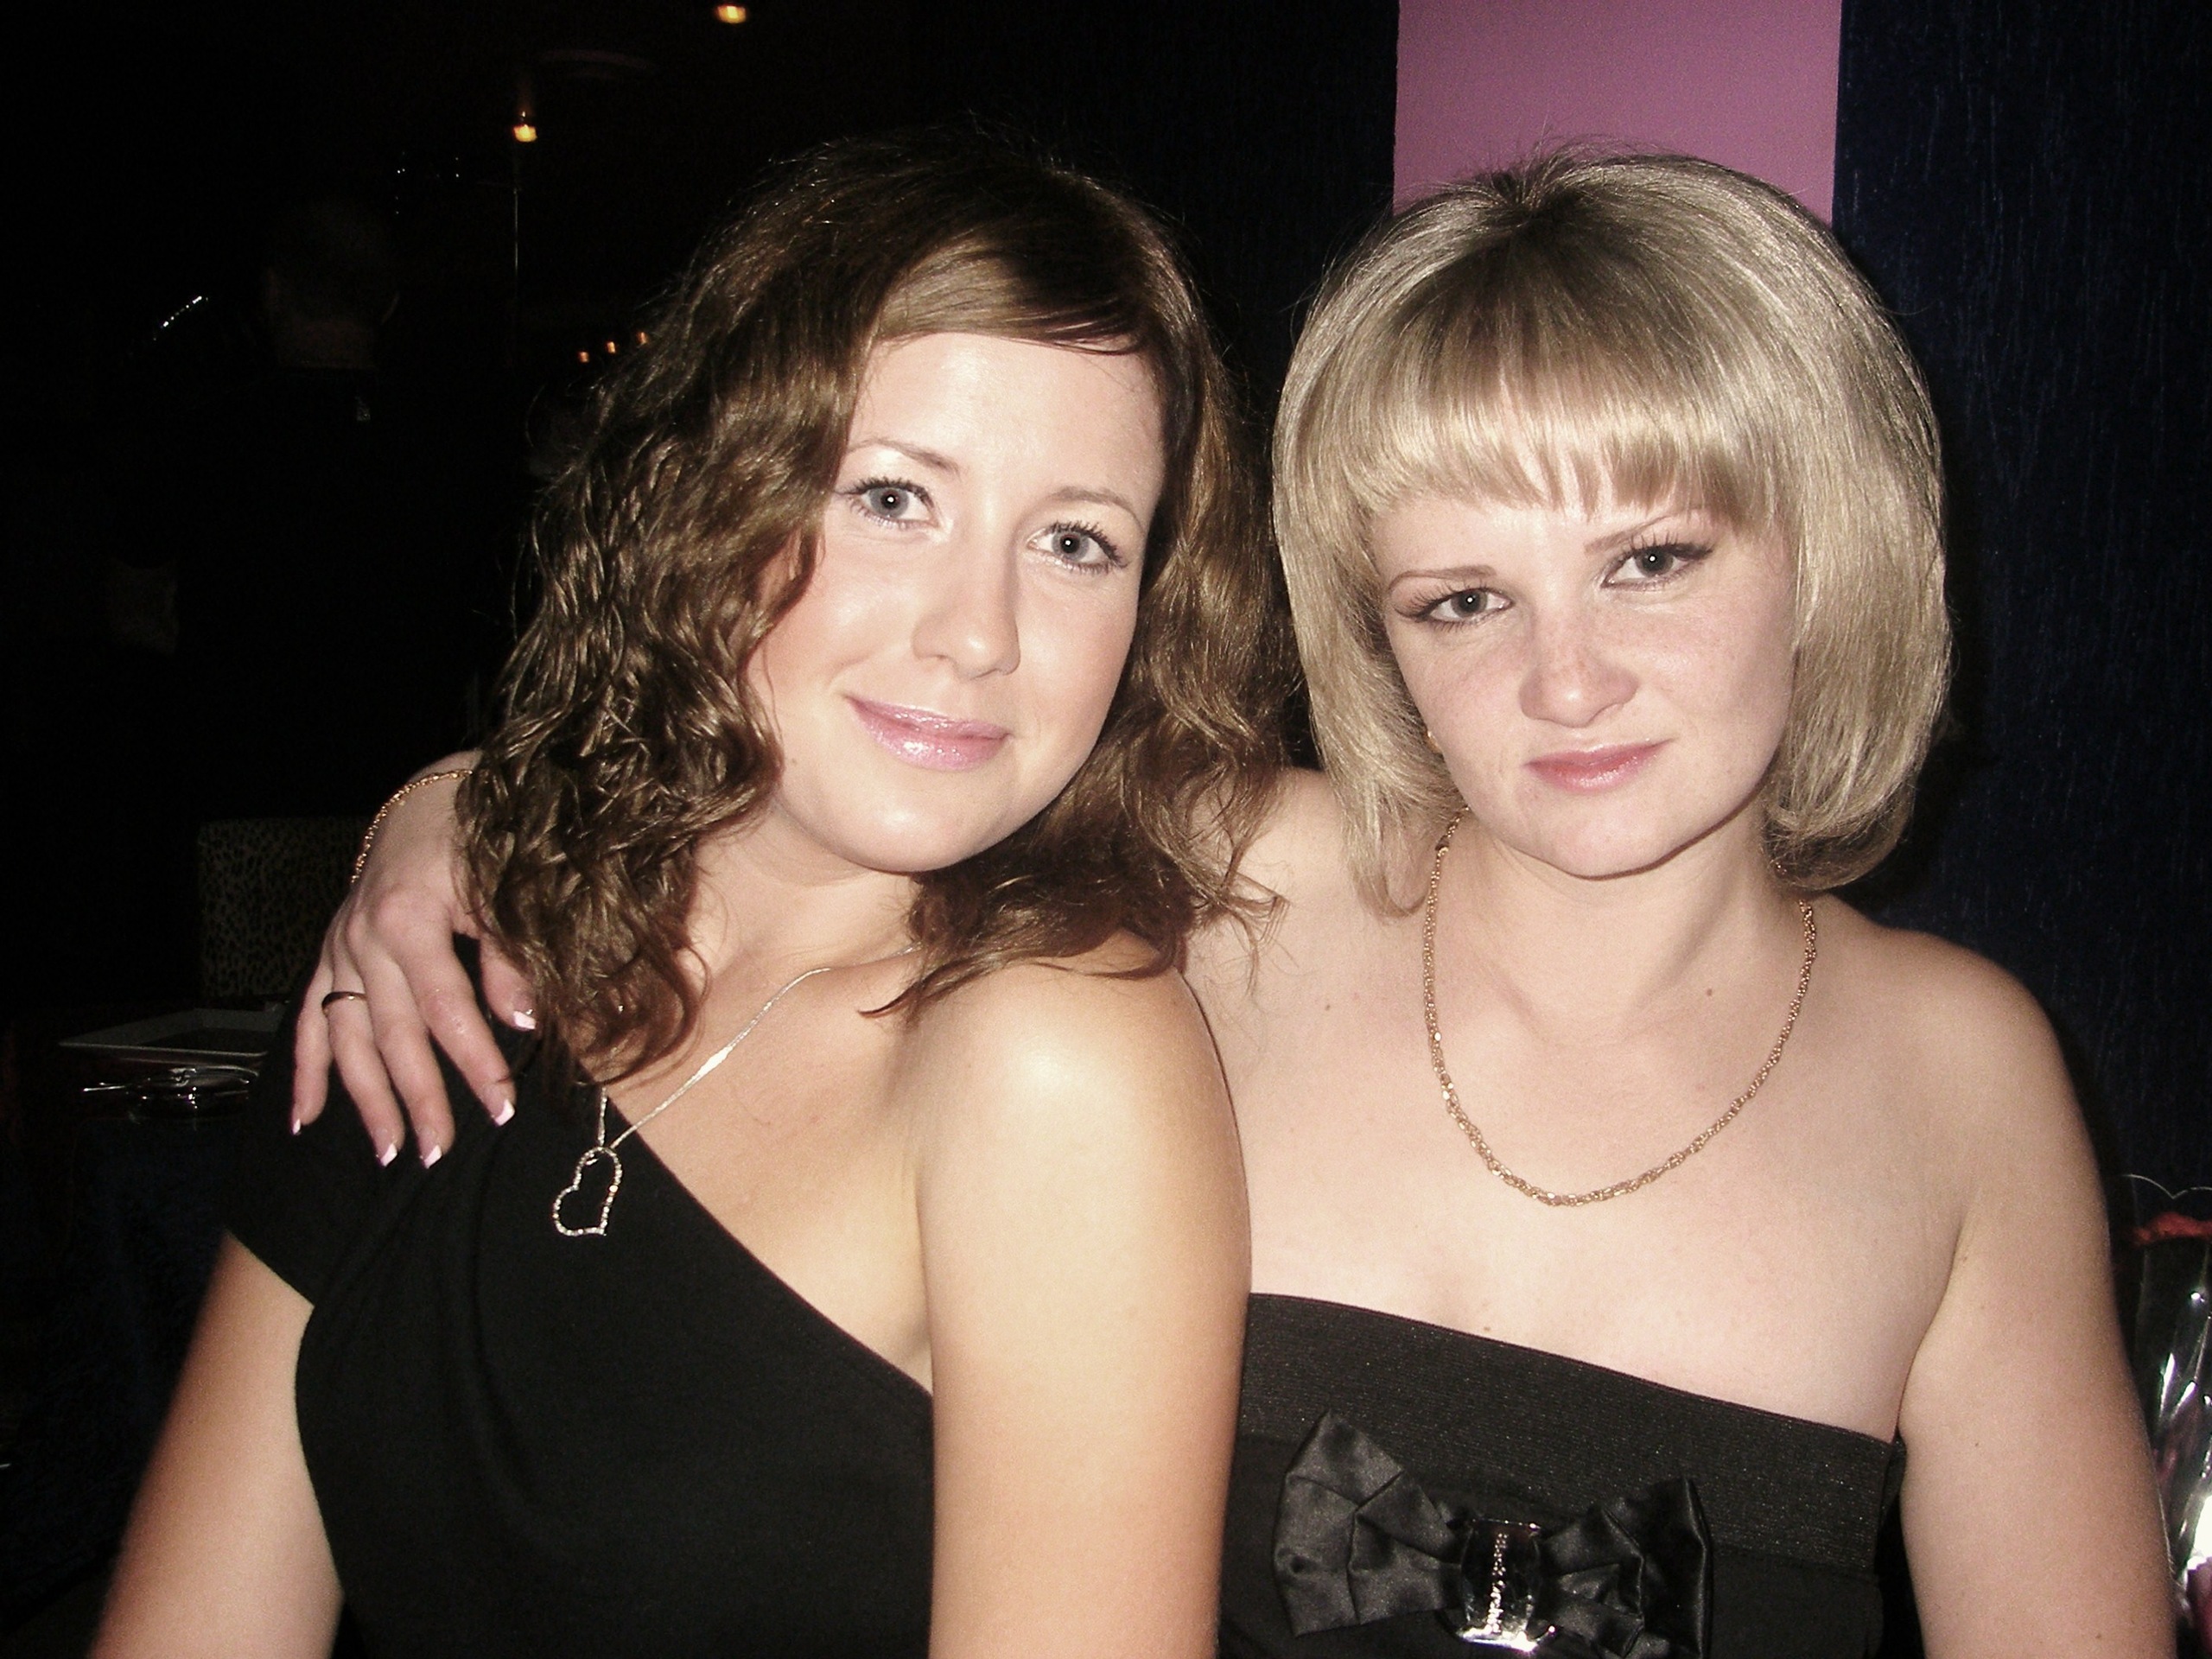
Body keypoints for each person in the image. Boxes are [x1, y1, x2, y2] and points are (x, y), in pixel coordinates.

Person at [287, 154, 2172, 1656]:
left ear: (1829, 549)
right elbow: (801, 786)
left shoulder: (1962, 1084)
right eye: (1462, 599)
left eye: (1651, 561)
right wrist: (445, 816)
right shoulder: (1220, 880)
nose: (1566, 679)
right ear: (1376, 634)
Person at [94, 132, 1285, 1659]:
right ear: (707, 493)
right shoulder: (425, 953)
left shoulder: (1056, 1058)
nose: (980, 632)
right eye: (893, 498)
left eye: (1074, 541)